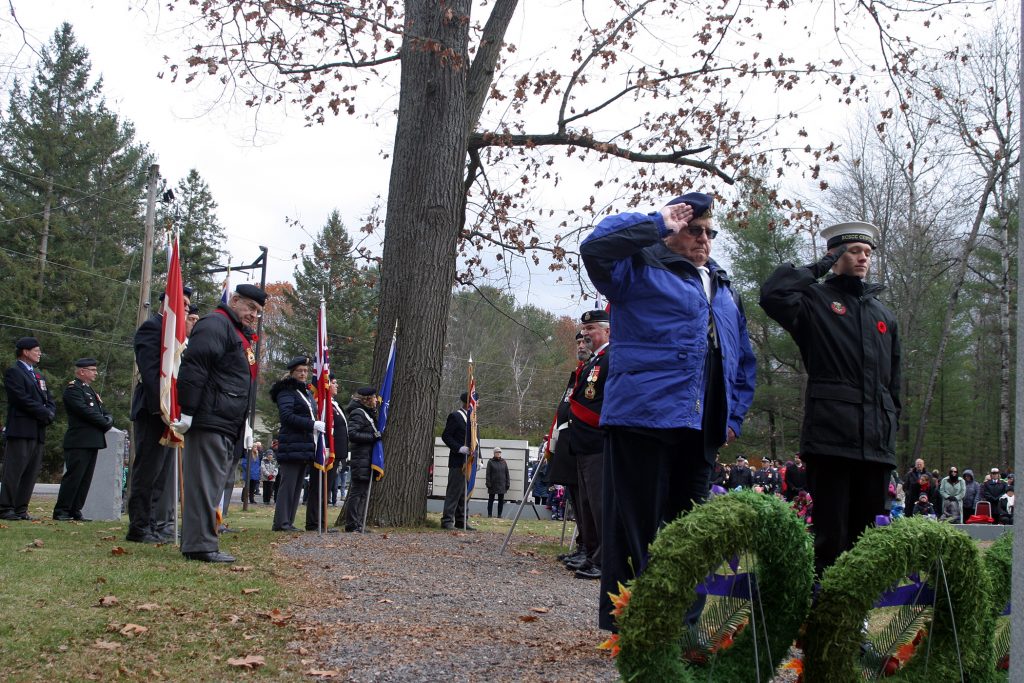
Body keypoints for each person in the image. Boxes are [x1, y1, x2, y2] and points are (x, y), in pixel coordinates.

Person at [581, 191, 757, 631]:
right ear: (674, 231)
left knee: (690, 534)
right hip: (643, 417)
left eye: (708, 232)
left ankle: (684, 626)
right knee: (634, 528)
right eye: (692, 229)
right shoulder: (638, 268)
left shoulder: (724, 287)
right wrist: (656, 222)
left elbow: (742, 360)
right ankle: (633, 624)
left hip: (702, 428)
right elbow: (595, 246)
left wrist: (732, 416)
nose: (703, 239)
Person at [761, 220, 900, 577]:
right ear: (835, 254)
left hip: (875, 444)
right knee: (831, 537)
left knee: (867, 540)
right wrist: (820, 267)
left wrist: (889, 428)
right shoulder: (814, 301)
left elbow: (893, 384)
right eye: (854, 251)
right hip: (832, 438)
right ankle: (821, 613)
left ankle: (857, 621)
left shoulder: (883, 315)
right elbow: (773, 293)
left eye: (867, 253)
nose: (863, 258)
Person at [171, 283, 266, 562]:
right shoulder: (216, 324)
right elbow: (195, 366)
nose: (253, 315)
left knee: (212, 485)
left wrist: (245, 424)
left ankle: (202, 540)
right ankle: (200, 545)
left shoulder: (235, 332)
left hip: (226, 421)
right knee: (203, 484)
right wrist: (187, 410)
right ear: (235, 300)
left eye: (258, 311)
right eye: (250, 307)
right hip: (210, 418)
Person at [126, 286, 193, 543]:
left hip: (171, 413)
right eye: (181, 302)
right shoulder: (153, 328)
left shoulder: (178, 335)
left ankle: (153, 525)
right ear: (167, 303)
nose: (185, 307)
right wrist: (163, 407)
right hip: (154, 410)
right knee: (148, 471)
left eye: (187, 304)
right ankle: (139, 527)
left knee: (162, 474)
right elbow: (152, 371)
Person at [567, 308, 611, 581]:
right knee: (587, 505)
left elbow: (600, 402)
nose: (586, 334)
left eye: (592, 329)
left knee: (600, 504)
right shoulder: (593, 362)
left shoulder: (609, 359)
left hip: (598, 442)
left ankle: (605, 559)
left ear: (607, 331)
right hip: (584, 443)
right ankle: (592, 552)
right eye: (584, 330)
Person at [0, 337, 57, 521]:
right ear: (25, 351)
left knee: (31, 471)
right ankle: (5, 507)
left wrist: (49, 412)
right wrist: (43, 412)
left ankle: (20, 509)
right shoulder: (14, 372)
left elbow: (49, 399)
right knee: (14, 470)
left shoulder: (38, 375)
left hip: (37, 430)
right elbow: (20, 398)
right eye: (36, 350)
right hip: (21, 428)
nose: (39, 353)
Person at [53, 358, 114, 521]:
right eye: (92, 370)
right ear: (81, 371)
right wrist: (104, 422)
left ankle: (75, 509)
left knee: (85, 478)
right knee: (74, 476)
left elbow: (104, 410)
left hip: (92, 440)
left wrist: (109, 419)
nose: (95, 373)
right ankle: (62, 510)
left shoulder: (90, 390)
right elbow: (84, 411)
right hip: (79, 439)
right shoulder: (74, 389)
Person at [270, 356, 320, 532]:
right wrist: (312, 424)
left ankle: (288, 521)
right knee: (288, 485)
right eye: (300, 371)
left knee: (297, 486)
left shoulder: (304, 392)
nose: (303, 374)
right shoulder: (286, 391)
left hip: (303, 444)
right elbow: (287, 416)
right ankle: (281, 522)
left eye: (305, 371)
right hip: (292, 443)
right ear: (292, 373)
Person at [440, 392, 476, 530]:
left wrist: (480, 460)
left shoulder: (473, 419)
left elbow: (476, 441)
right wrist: (459, 448)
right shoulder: (456, 416)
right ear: (468, 403)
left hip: (470, 462)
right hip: (458, 461)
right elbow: (446, 436)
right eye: (475, 401)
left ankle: (461, 520)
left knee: (464, 493)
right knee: (454, 492)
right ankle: (447, 520)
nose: (477, 404)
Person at [345, 387, 379, 533]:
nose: (377, 400)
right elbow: (352, 434)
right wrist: (372, 437)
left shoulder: (367, 413)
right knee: (357, 491)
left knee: (363, 492)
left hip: (366, 456)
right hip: (361, 456)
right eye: (374, 397)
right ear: (367, 399)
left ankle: (358, 522)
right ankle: (352, 524)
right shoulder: (358, 413)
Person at [328, 375, 350, 506]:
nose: (337, 386)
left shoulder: (335, 404)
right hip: (331, 450)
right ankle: (318, 520)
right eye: (334, 383)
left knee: (331, 482)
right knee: (327, 484)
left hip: (338, 452)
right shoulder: (327, 404)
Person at [485, 447, 510, 518]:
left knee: (501, 501)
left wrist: (508, 483)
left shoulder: (504, 462)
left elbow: (507, 473)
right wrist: (488, 483)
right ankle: (489, 515)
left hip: (502, 484)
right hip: (492, 484)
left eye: (499, 452)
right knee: (491, 500)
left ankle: (499, 515)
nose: (498, 453)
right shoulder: (490, 462)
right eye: (497, 452)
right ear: (494, 453)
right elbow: (488, 474)